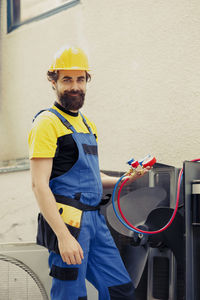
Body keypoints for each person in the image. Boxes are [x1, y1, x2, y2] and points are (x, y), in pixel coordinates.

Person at [28, 46, 143, 300]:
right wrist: (63, 237)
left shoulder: (88, 124)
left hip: (96, 223)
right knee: (71, 295)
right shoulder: (46, 123)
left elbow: (89, 176)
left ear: (87, 81)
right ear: (53, 81)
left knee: (121, 291)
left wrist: (124, 179)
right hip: (68, 223)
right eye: (67, 79)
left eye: (80, 79)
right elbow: (39, 185)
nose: (74, 86)